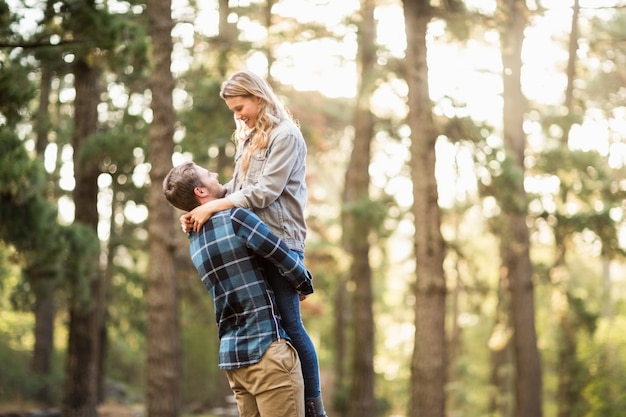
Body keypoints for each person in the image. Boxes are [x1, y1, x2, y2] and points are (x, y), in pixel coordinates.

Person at [181, 70, 328, 417]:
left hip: (280, 239)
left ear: (257, 97)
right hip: (255, 241)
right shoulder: (250, 138)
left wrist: (214, 205)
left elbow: (265, 192)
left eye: (240, 106)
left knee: (290, 323)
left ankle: (313, 406)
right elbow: (239, 184)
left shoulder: (286, 136)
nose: (238, 115)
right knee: (271, 327)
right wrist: (198, 209)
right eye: (233, 110)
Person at [164, 161, 314, 417]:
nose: (215, 173)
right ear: (201, 191)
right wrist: (303, 284)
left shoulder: (194, 239)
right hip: (268, 353)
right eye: (207, 174)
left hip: (234, 361)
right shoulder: (236, 218)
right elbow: (281, 254)